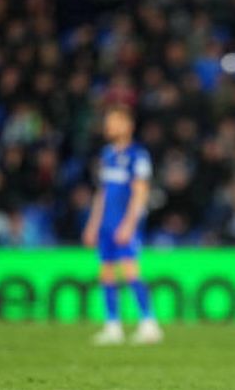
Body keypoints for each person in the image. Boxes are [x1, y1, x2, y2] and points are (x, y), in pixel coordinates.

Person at [82, 105, 162, 345]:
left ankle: (149, 324)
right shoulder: (107, 154)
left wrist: (129, 224)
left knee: (130, 271)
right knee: (105, 272)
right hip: (106, 223)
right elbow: (102, 193)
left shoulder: (138, 155)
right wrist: (92, 224)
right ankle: (112, 326)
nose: (109, 126)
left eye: (114, 121)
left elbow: (140, 192)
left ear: (128, 126)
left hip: (125, 223)